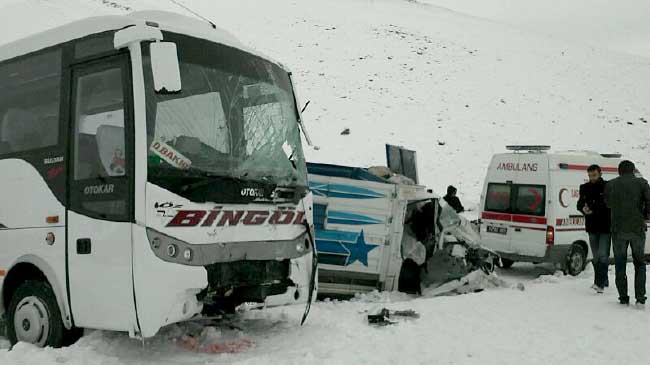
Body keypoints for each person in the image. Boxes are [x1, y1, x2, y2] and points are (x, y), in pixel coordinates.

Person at [605, 160, 650, 305]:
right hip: (637, 228)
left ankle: (623, 297)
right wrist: (644, 216)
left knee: (620, 263)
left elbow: (608, 204)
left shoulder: (610, 185)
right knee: (639, 263)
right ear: (633, 170)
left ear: (619, 171)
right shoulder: (642, 183)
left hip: (618, 230)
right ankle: (640, 298)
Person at [577, 165, 610, 293]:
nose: (592, 178)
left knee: (602, 254)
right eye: (590, 176)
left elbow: (606, 204)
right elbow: (580, 203)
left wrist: (592, 208)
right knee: (596, 256)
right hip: (591, 226)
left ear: (600, 174)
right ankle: (603, 280)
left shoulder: (607, 187)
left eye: (594, 175)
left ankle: (599, 284)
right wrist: (582, 209)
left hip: (605, 226)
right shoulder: (584, 188)